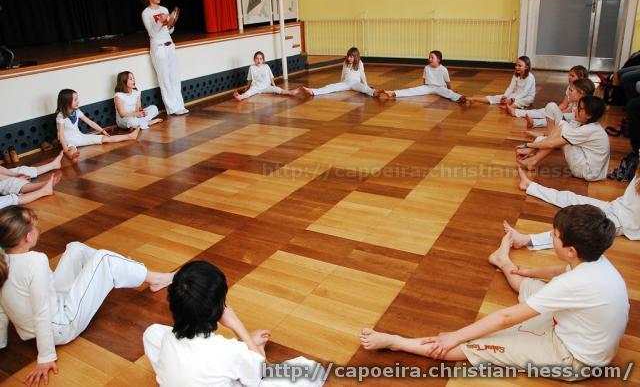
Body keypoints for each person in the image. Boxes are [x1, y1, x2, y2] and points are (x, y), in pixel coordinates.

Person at [360, 205, 629, 381]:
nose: (551, 235)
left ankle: (395, 342)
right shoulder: (596, 261)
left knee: (475, 345)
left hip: (573, 359)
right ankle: (503, 262)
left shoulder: (573, 285)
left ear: (571, 249)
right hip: (575, 329)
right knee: (527, 286)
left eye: (555, 235)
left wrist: (455, 335)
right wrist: (527, 272)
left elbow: (506, 318)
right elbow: (562, 270)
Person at [0, 206, 175, 387]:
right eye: (35, 227)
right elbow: (41, 312)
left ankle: (123, 268)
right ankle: (155, 278)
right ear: (27, 237)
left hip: (48, 311)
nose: (38, 230)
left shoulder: (2, 259)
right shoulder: (35, 261)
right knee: (104, 258)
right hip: (60, 325)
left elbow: (1, 305)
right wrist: (45, 356)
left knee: (75, 248)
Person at [143, 261, 323, 387]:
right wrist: (239, 329)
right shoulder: (229, 352)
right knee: (312, 370)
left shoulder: (167, 338)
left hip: (204, 366)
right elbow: (261, 373)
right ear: (220, 307)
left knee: (152, 333)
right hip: (238, 364)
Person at [506, 163, 640, 250]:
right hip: (615, 206)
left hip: (623, 221)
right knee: (571, 198)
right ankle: (530, 186)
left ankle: (526, 240)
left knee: (582, 228)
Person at [515, 96, 609, 181]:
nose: (575, 110)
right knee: (562, 128)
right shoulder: (590, 126)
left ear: (589, 115)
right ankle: (533, 160)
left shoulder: (589, 129)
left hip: (587, 172)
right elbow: (552, 139)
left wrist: (529, 145)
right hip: (593, 171)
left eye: (580, 109)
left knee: (563, 126)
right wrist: (533, 146)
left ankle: (533, 160)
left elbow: (552, 144)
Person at [56, 89, 139, 163]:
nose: (78, 101)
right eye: (75, 100)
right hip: (68, 141)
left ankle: (130, 136)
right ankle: (72, 156)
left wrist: (102, 131)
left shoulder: (77, 111)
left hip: (80, 137)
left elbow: (90, 122)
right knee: (72, 150)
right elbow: (61, 134)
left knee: (106, 138)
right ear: (67, 102)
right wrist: (66, 149)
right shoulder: (61, 116)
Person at [141, 0, 188, 116]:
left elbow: (169, 30)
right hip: (158, 47)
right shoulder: (146, 13)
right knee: (165, 79)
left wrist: (171, 24)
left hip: (169, 45)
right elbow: (152, 33)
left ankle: (180, 105)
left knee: (175, 77)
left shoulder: (164, 9)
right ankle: (172, 108)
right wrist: (160, 22)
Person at [505, 65, 588, 128]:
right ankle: (516, 112)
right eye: (569, 75)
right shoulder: (570, 87)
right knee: (544, 111)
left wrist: (558, 113)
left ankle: (534, 123)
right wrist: (556, 110)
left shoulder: (581, 93)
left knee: (555, 118)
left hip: (573, 116)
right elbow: (564, 104)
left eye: (572, 76)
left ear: (581, 78)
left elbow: (572, 110)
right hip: (567, 112)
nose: (569, 77)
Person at [382, 50, 467, 103]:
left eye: (432, 57)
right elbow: (424, 79)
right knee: (412, 90)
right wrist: (422, 88)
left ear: (438, 60)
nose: (429, 59)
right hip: (428, 87)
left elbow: (448, 82)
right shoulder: (427, 68)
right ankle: (393, 93)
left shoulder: (443, 69)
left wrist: (450, 89)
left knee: (448, 93)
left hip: (440, 87)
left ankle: (460, 98)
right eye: (429, 57)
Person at [295, 47, 380, 98]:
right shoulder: (345, 63)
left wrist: (365, 84)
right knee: (331, 87)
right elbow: (343, 74)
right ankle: (313, 91)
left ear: (356, 57)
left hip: (355, 83)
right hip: (346, 83)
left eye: (351, 57)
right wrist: (340, 84)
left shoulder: (360, 63)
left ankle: (374, 92)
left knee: (364, 89)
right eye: (348, 56)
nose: (349, 58)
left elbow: (363, 75)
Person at [467, 56, 535, 108]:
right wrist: (505, 96)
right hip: (516, 95)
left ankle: (509, 107)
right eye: (516, 65)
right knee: (497, 97)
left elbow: (525, 93)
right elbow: (511, 87)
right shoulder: (516, 75)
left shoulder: (530, 77)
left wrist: (512, 99)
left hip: (527, 97)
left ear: (526, 67)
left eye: (519, 66)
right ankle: (474, 99)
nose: (517, 67)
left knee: (520, 101)